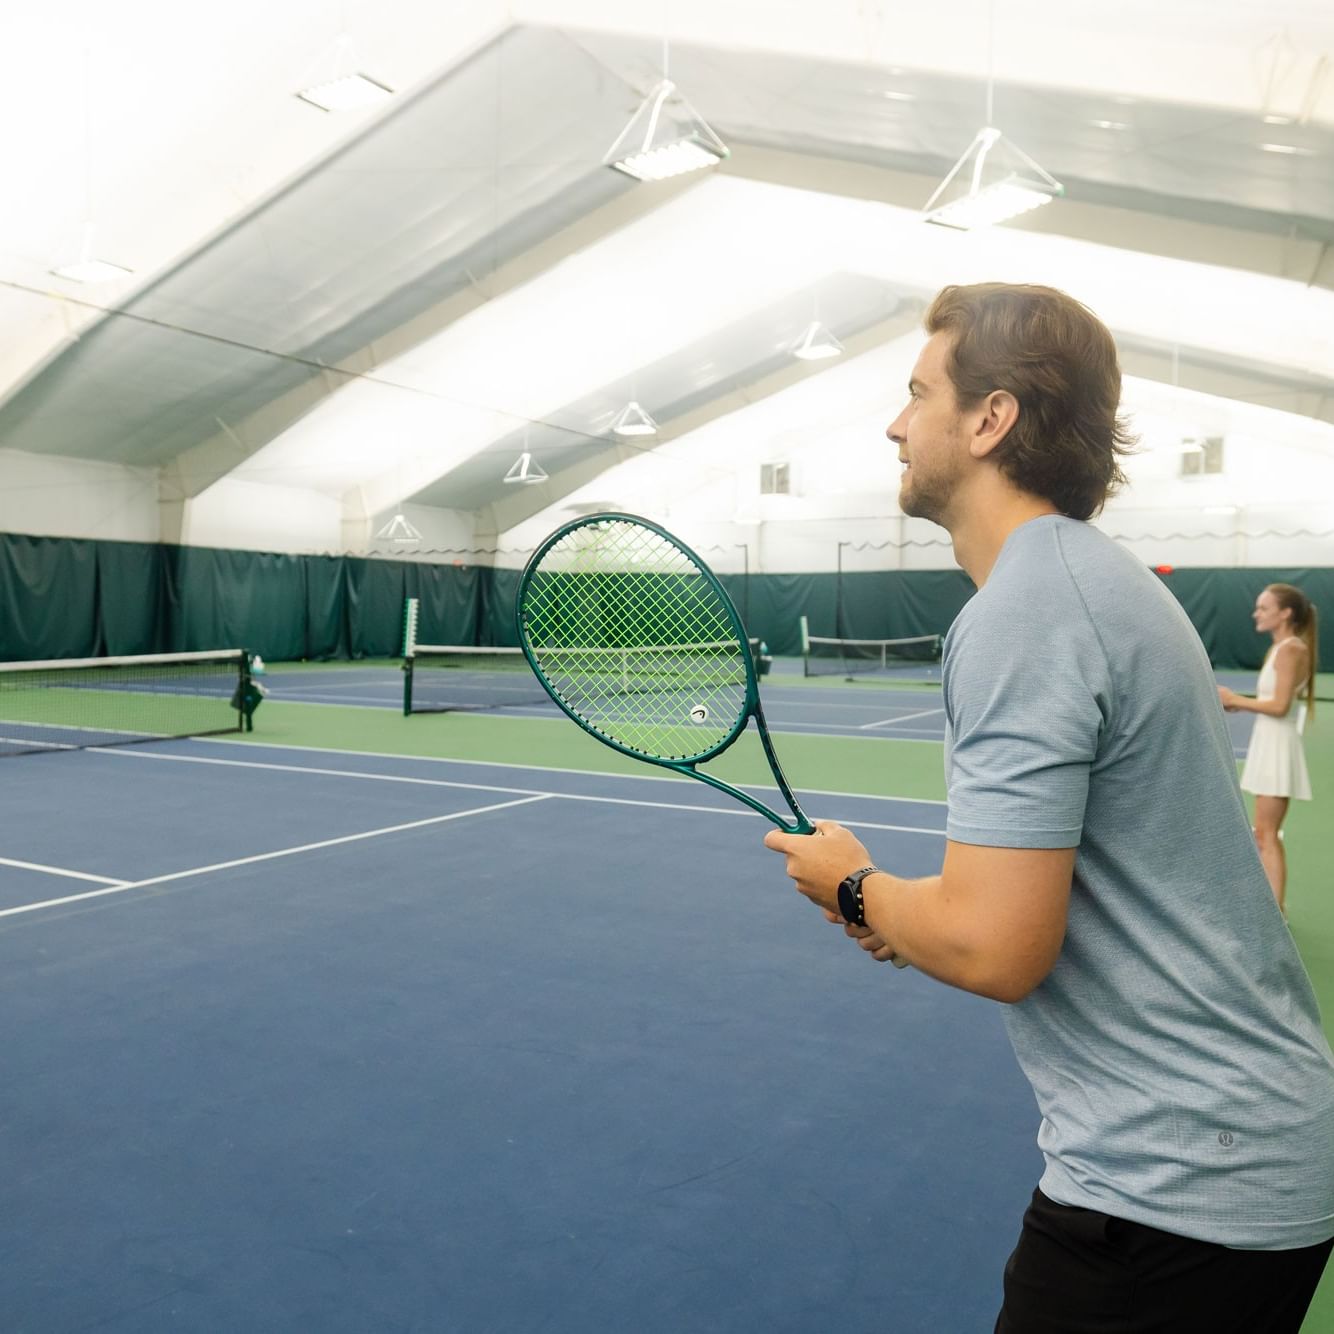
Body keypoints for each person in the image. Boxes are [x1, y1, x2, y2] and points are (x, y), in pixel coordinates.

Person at [763, 283, 1334, 1333]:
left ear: (990, 419)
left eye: (916, 393)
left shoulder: (1026, 608)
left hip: (1171, 1189)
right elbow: (1052, 890)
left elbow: (996, 946)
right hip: (1236, 1161)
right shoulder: (1090, 580)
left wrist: (850, 879)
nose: (894, 424)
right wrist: (897, 909)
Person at [1219, 583, 1318, 913]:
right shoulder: (1281, 648)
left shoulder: (1291, 649)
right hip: (1269, 742)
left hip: (1278, 746)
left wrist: (1235, 699)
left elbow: (1279, 705)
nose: (1256, 613)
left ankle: (1275, 914)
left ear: (1285, 613)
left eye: (1263, 608)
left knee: (1267, 834)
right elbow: (1272, 702)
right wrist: (1241, 704)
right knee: (1263, 833)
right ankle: (1274, 909)